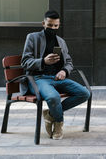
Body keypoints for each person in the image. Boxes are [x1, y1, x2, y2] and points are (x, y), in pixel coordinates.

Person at [21, 10, 90, 140]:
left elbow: (69, 62)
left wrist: (64, 71)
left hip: (57, 78)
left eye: (55, 26)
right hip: (38, 79)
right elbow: (25, 62)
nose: (52, 28)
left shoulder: (61, 41)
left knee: (84, 93)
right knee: (53, 97)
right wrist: (43, 61)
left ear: (59, 25)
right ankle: (58, 124)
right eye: (50, 25)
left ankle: (51, 115)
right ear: (43, 23)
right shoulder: (33, 37)